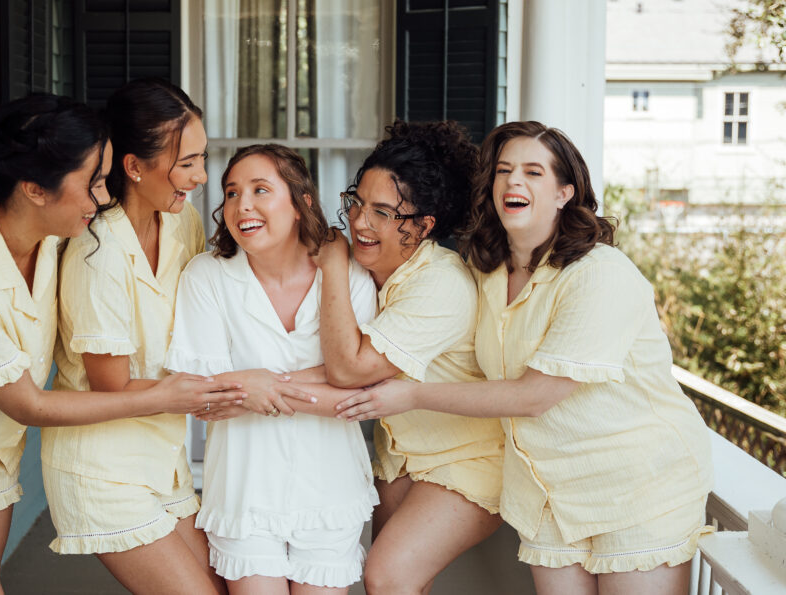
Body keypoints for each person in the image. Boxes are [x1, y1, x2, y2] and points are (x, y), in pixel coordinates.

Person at [0, 94, 245, 595]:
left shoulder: (55, 238)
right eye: (93, 184)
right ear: (35, 189)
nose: (104, 200)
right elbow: (30, 404)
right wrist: (169, 396)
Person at [335, 121, 714, 595]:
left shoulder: (599, 273)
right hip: (548, 491)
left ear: (564, 193)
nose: (514, 181)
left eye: (533, 172)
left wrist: (409, 394)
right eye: (504, 170)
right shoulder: (488, 274)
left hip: (636, 487)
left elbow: (536, 395)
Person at [41, 79, 229, 594]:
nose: (201, 175)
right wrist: (216, 391)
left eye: (202, 158)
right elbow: (111, 386)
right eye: (187, 162)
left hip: (162, 459)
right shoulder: (96, 253)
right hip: (103, 468)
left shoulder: (181, 223)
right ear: (134, 167)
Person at [167, 144, 380, 594]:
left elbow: (362, 393)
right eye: (230, 192)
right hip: (244, 492)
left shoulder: (350, 278)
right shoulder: (206, 277)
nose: (241, 204)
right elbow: (206, 398)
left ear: (301, 202)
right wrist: (327, 382)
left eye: (260, 189)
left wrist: (253, 383)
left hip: (331, 491)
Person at [311, 120, 505, 595]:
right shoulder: (373, 270)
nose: (359, 222)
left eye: (382, 212)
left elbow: (349, 370)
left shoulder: (440, 283)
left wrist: (333, 265)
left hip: (468, 457)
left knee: (388, 575)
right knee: (396, 585)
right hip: (401, 453)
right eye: (357, 203)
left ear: (423, 226)